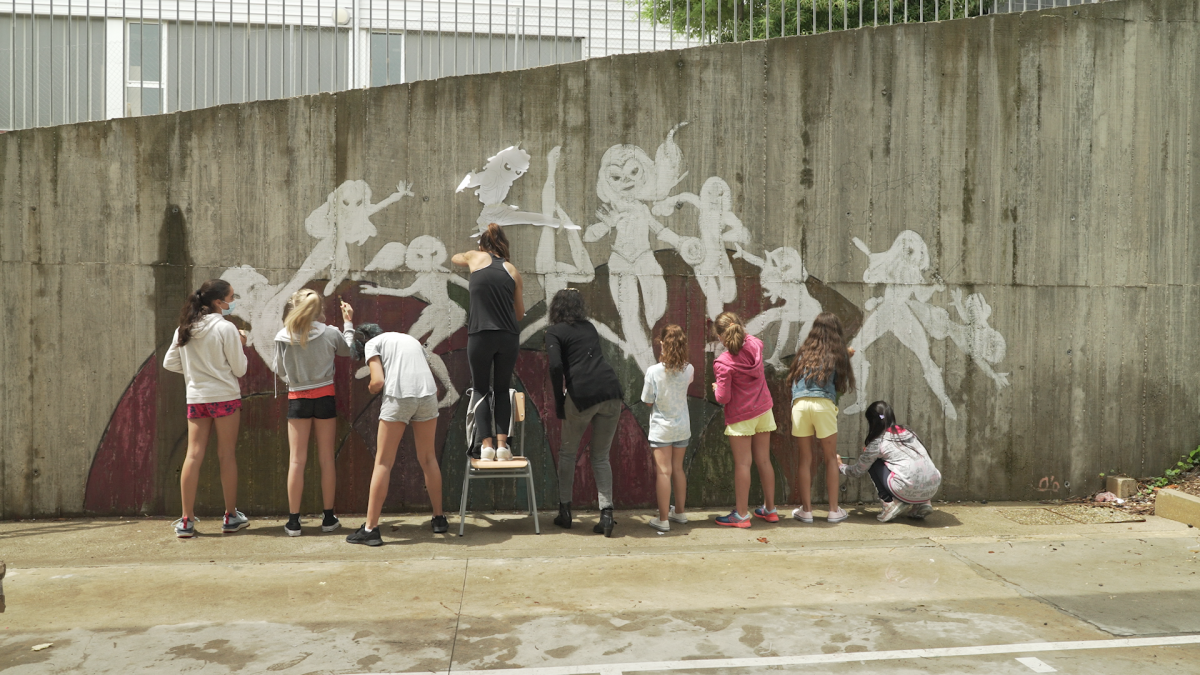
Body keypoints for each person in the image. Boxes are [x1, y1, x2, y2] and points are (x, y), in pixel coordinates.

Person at [344, 316, 448, 545]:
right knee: (429, 458)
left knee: (383, 462)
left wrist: (371, 387)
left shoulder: (372, 344)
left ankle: (370, 528)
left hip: (399, 396)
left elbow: (378, 382)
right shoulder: (408, 339)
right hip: (428, 394)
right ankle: (439, 518)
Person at [163, 279, 250, 538]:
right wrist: (241, 342)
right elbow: (240, 369)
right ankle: (230, 516)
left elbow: (170, 362)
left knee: (193, 455)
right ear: (218, 302)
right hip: (224, 397)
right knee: (227, 455)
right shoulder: (226, 328)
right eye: (231, 297)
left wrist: (193, 373)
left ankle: (186, 521)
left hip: (197, 397)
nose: (233, 302)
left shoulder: (185, 328)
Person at [546, 289, 624, 537]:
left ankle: (565, 512)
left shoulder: (554, 332)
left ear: (556, 308)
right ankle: (607, 515)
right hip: (611, 392)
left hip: (582, 394)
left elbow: (556, 365)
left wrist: (560, 401)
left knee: (568, 453)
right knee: (600, 456)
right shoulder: (589, 327)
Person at [272, 289, 351, 536]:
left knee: (297, 460)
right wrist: (348, 322)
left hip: (298, 398)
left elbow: (279, 369)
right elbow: (348, 350)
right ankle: (328, 518)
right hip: (325, 395)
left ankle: (294, 522)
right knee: (327, 458)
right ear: (320, 310)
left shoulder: (284, 335)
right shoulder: (330, 333)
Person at [451, 222, 525, 461]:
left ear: (483, 245)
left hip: (481, 334)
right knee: (502, 390)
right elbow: (520, 314)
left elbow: (455, 258)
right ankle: (503, 446)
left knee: (481, 389)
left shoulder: (475, 257)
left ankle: (486, 446)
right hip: (508, 336)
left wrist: (474, 251)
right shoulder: (513, 271)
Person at [787, 312, 857, 524]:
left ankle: (806, 511)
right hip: (823, 406)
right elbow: (840, 381)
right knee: (829, 459)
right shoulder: (838, 355)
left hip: (800, 406)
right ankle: (834, 511)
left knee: (805, 459)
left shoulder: (802, 354)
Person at [711, 312, 777, 528]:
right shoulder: (756, 345)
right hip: (764, 410)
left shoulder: (723, 362)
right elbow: (748, 340)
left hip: (741, 416)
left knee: (743, 464)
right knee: (764, 460)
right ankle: (770, 509)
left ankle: (741, 515)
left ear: (721, 337)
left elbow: (723, 397)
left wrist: (715, 389)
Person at [841, 401, 940, 521]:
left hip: (906, 488)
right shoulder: (909, 432)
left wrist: (840, 466)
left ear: (873, 422)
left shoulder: (878, 443)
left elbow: (858, 471)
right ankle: (922, 503)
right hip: (932, 488)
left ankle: (889, 503)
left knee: (873, 463)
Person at [641, 324, 693, 532]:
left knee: (664, 472)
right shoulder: (689, 368)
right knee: (678, 469)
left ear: (662, 343)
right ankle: (679, 512)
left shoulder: (653, 371)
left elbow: (646, 400)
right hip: (682, 426)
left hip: (662, 428)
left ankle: (663, 519)